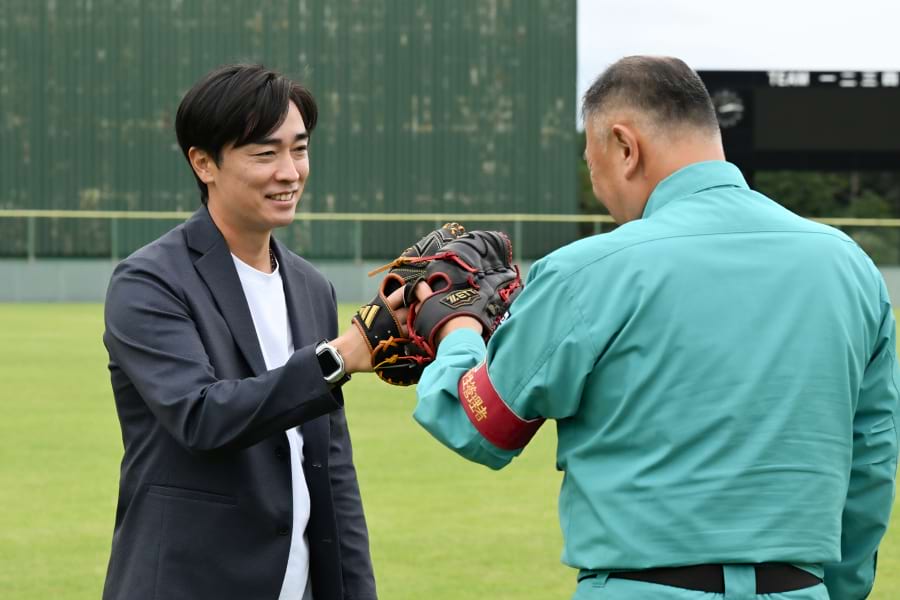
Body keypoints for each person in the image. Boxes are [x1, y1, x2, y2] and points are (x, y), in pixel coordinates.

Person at [411, 56, 899, 599]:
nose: (598, 186)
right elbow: (871, 463)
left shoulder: (586, 270)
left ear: (624, 146)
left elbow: (482, 426)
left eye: (592, 162)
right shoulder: (851, 267)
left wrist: (454, 329)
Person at [102, 64, 380, 600]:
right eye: (264, 153)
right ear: (203, 163)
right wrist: (337, 358)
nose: (290, 171)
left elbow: (330, 466)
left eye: (298, 149)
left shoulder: (310, 286)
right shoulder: (149, 281)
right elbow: (202, 416)